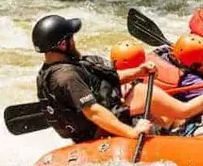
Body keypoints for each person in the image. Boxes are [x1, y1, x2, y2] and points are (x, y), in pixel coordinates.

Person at [33, 15, 152, 143]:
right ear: (62, 44)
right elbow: (93, 112)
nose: (74, 41)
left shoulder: (48, 71)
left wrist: (139, 72)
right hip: (99, 131)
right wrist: (132, 132)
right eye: (71, 38)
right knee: (142, 92)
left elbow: (109, 80)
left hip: (91, 129)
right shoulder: (67, 76)